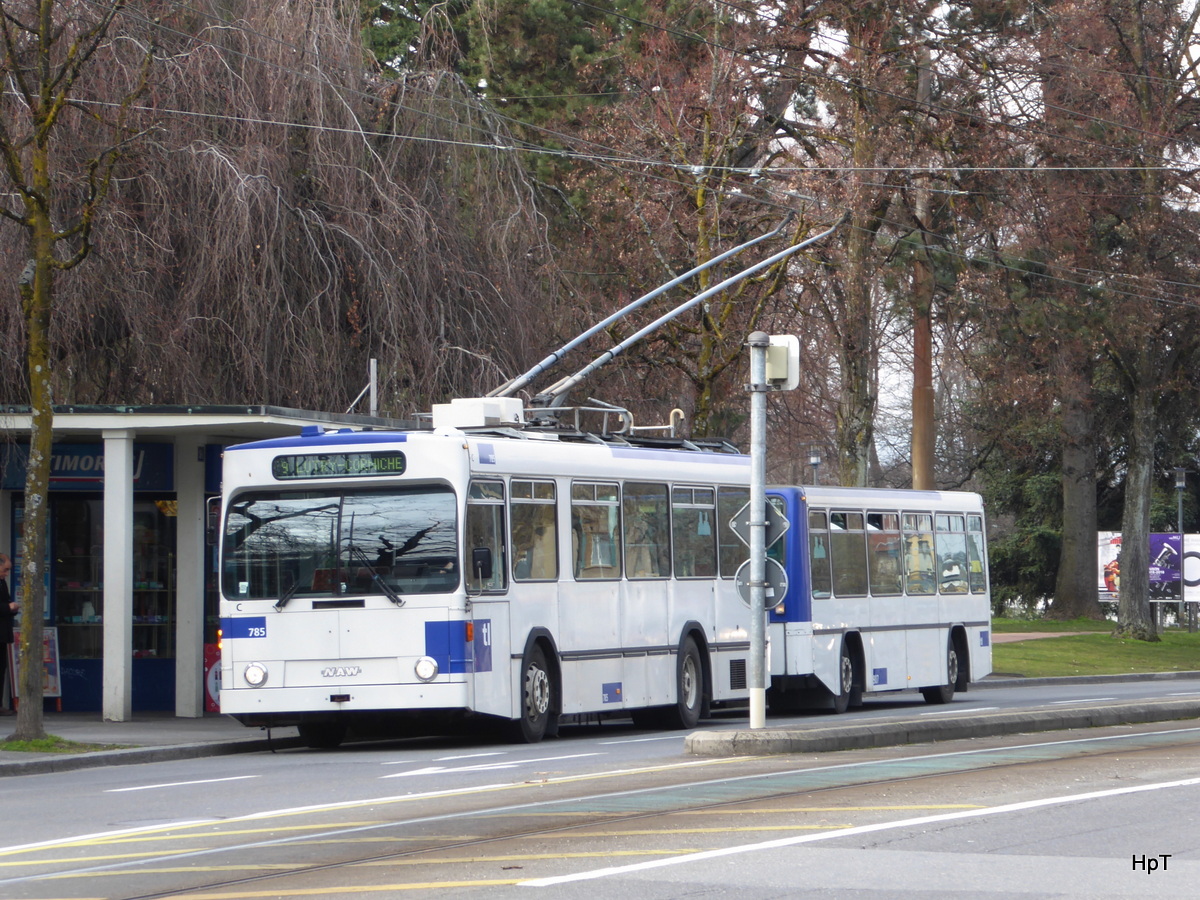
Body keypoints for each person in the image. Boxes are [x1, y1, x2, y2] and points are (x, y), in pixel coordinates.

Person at [0, 553, 16, 715]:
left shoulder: (2, 583)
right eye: (5, 569)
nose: (6, 573)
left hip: (3, 632)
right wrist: (8, 607)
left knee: (1, 668)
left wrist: (12, 609)